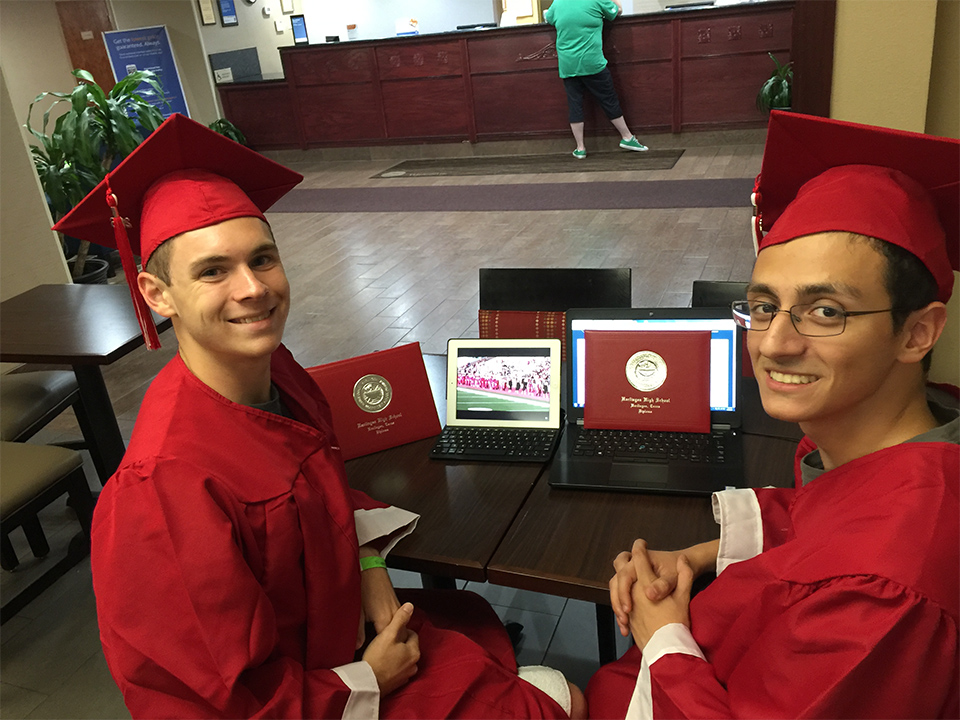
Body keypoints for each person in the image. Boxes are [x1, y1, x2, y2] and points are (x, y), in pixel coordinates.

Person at [53, 114, 587, 720]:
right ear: (156, 293)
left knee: (489, 636)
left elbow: (318, 488)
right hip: (314, 695)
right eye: (212, 270)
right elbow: (215, 702)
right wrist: (367, 681)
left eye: (263, 259)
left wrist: (367, 561)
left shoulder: (280, 373)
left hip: (339, 632)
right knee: (558, 701)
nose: (253, 288)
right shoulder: (164, 489)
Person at [585, 111, 959, 718]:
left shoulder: (892, 595)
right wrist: (700, 555)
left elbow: (860, 554)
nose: (774, 344)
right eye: (764, 306)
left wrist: (659, 633)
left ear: (918, 332)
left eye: (826, 311)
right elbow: (837, 518)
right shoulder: (895, 445)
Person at [544, 0, 648, 159]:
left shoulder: (558, 3)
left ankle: (580, 148)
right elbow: (616, 11)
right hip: (592, 63)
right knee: (608, 99)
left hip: (568, 65)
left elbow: (548, 17)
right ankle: (627, 137)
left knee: (575, 104)